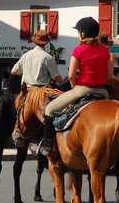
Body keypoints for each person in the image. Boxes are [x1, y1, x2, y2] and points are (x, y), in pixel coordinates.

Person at [39, 17, 111, 156]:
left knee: (49, 109)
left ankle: (48, 144)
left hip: (82, 90)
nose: (78, 34)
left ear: (83, 34)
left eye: (79, 31)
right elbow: (110, 76)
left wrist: (73, 85)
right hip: (103, 93)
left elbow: (71, 75)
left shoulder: (78, 50)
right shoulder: (105, 51)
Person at [10, 29, 63, 151]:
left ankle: (17, 132)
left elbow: (14, 71)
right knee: (53, 115)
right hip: (41, 92)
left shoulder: (26, 55)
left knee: (19, 112)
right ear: (46, 43)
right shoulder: (48, 57)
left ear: (35, 42)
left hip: (26, 92)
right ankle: (49, 142)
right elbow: (57, 78)